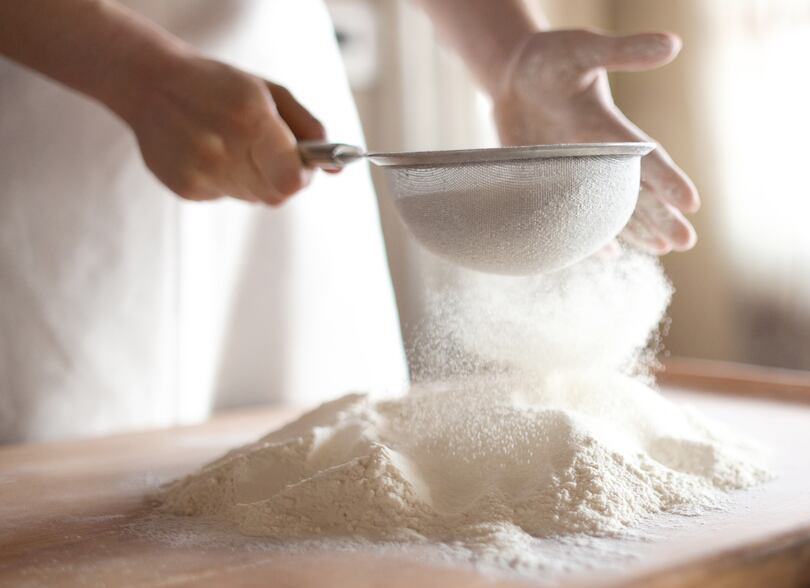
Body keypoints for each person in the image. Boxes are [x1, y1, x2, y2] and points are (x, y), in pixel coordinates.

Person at [0, 0, 699, 444]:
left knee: (326, 462)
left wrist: (508, 54)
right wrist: (138, 75)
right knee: (76, 504)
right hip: (63, 92)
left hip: (284, 79)